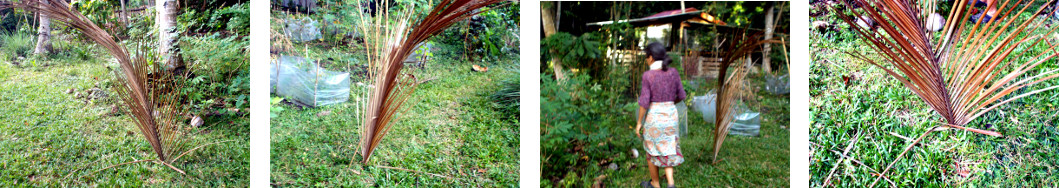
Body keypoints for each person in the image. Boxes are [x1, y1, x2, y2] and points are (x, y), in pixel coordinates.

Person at [636, 42, 686, 188]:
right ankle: (671, 184)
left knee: (651, 150)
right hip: (671, 115)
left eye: (646, 57)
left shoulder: (648, 75)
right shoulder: (673, 72)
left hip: (655, 118)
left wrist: (639, 122)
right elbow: (682, 95)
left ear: (651, 58)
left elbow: (644, 102)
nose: (646, 59)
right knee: (669, 147)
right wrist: (669, 103)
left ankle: (655, 184)